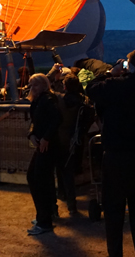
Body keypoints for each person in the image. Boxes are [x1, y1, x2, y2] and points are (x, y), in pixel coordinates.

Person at [86, 48, 135, 257]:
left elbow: (90, 89)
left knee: (114, 215)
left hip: (117, 160)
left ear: (128, 67)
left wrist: (110, 73)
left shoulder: (114, 86)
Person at [26, 73, 62, 235]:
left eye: (35, 85)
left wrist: (46, 138)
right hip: (43, 143)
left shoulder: (47, 100)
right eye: (31, 85)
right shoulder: (40, 100)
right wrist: (32, 134)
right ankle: (45, 214)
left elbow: (56, 119)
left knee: (39, 180)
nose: (32, 88)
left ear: (43, 85)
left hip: (47, 146)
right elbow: (36, 122)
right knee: (36, 178)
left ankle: (44, 219)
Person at [55, 74, 89, 214]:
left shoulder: (61, 101)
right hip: (77, 139)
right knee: (69, 169)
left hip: (62, 138)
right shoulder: (84, 100)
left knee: (62, 169)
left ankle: (67, 198)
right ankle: (69, 200)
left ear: (65, 86)